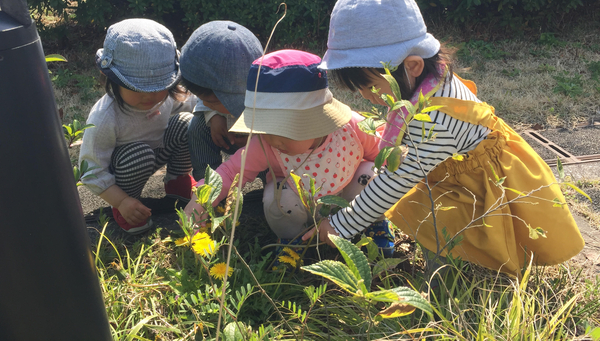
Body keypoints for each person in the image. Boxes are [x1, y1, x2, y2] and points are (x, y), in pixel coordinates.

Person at [304, 0, 584, 276]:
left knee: (434, 217)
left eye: (370, 86)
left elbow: (394, 182)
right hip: (459, 169)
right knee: (430, 210)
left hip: (481, 184)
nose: (365, 96)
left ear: (412, 66)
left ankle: (449, 281)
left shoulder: (437, 122)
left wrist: (339, 225)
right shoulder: (429, 80)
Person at [183, 49, 393, 254]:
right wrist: (200, 202)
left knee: (371, 176)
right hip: (300, 206)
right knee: (277, 200)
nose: (274, 140)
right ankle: (292, 241)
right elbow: (230, 172)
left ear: (317, 121)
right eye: (265, 129)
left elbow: (384, 156)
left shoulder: (351, 129)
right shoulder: (266, 145)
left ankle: (374, 224)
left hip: (350, 202)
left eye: (285, 131)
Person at [79, 19, 197, 234]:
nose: (149, 96)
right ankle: (128, 207)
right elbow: (92, 172)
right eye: (137, 87)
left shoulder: (168, 97)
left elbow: (198, 106)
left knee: (189, 123)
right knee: (138, 154)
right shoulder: (106, 116)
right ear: (111, 78)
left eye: (159, 87)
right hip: (125, 169)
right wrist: (121, 200)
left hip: (156, 152)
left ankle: (178, 182)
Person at [179, 21, 263, 181]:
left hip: (261, 151)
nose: (207, 104)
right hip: (226, 135)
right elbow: (207, 98)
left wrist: (256, 139)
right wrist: (213, 114)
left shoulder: (264, 91)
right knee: (197, 126)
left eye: (214, 103)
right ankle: (207, 182)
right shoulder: (207, 87)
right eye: (205, 100)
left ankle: (275, 184)